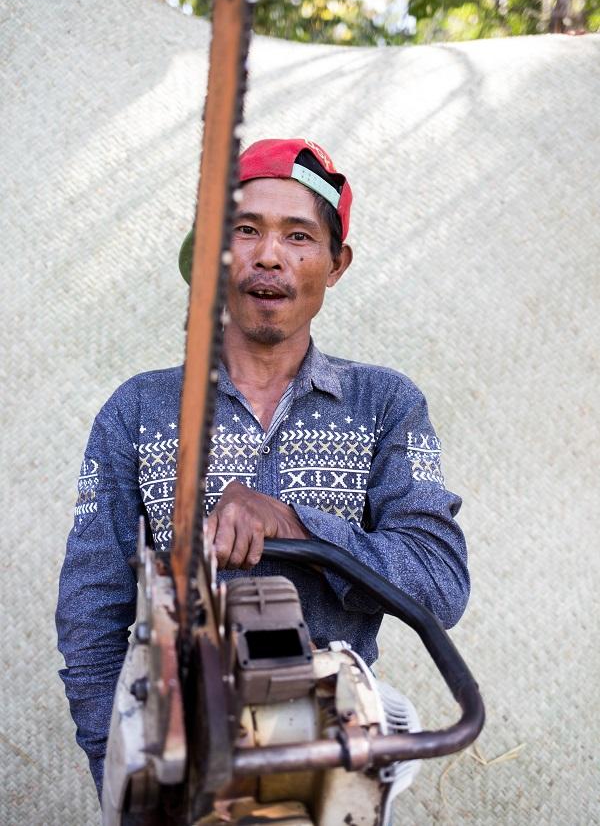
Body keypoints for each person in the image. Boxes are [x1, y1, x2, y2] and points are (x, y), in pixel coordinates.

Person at [56, 137, 470, 797]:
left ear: (336, 264)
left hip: (336, 768)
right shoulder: (140, 410)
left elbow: (440, 584)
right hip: (183, 762)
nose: (270, 254)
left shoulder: (385, 404)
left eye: (299, 235)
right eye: (245, 229)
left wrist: (299, 528)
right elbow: (91, 611)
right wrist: (123, 772)